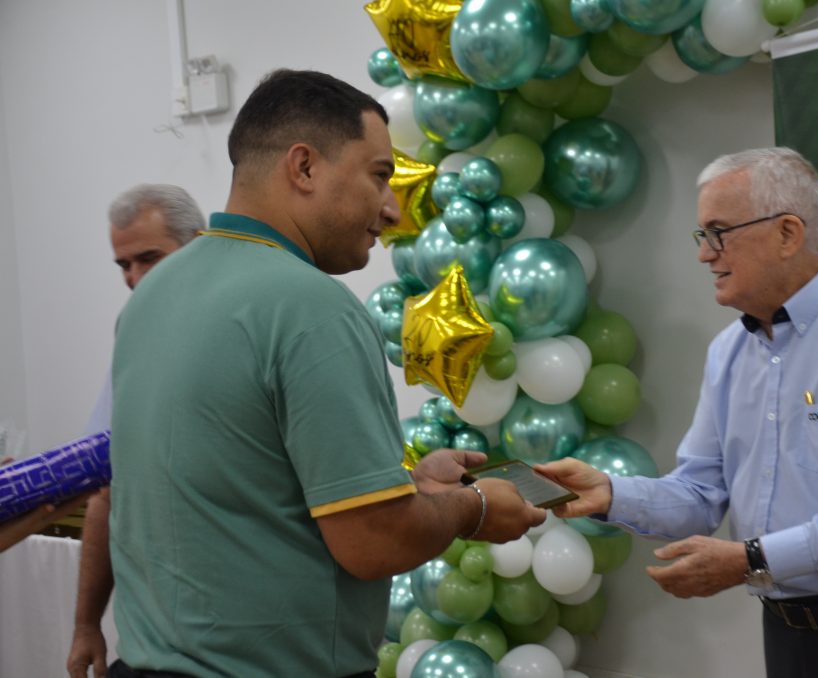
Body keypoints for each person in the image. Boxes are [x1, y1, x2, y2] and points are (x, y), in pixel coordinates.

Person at [94, 69, 545, 678]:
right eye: (379, 175)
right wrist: (475, 510)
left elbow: (244, 485)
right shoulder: (312, 308)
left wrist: (411, 487)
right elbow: (374, 541)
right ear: (303, 167)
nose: (390, 209)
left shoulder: (151, 297)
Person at [539, 147, 818, 678]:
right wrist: (610, 493)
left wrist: (751, 559)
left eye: (718, 232)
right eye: (702, 236)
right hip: (788, 636)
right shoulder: (728, 351)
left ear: (788, 233)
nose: (705, 254)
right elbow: (700, 494)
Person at [68, 184, 205, 677]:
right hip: (153, 643)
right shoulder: (132, 334)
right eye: (124, 265)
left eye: (148, 259)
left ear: (200, 243)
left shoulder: (250, 325)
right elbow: (107, 488)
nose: (134, 278)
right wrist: (86, 624)